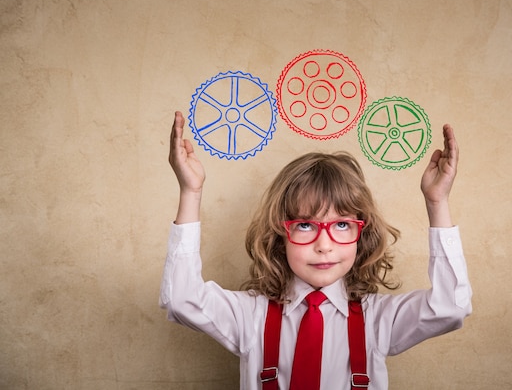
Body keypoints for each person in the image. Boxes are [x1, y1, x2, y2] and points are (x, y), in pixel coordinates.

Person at [160, 111, 472, 390]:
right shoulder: (250, 315)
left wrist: (437, 203)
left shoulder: (377, 319)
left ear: (361, 235)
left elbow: (450, 307)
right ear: (280, 234)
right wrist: (190, 192)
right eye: (306, 226)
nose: (324, 246)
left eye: (341, 226)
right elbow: (181, 299)